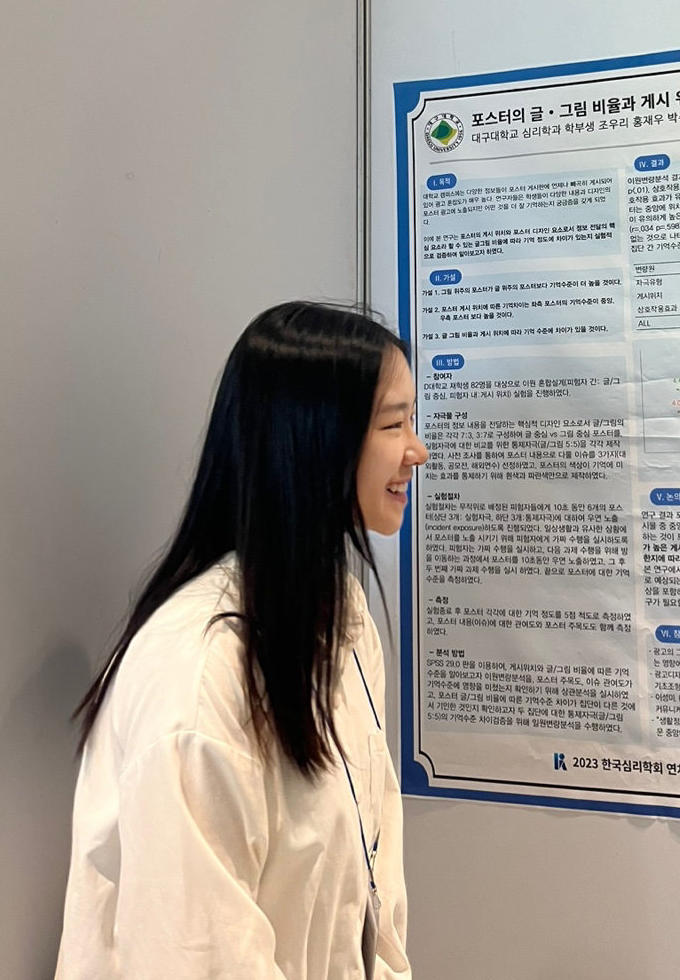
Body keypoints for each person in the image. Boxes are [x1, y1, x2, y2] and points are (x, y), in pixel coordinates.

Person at [55, 302, 427, 980]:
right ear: (316, 439)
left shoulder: (340, 616)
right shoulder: (198, 677)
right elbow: (195, 957)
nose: (417, 450)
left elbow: (372, 887)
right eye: (393, 423)